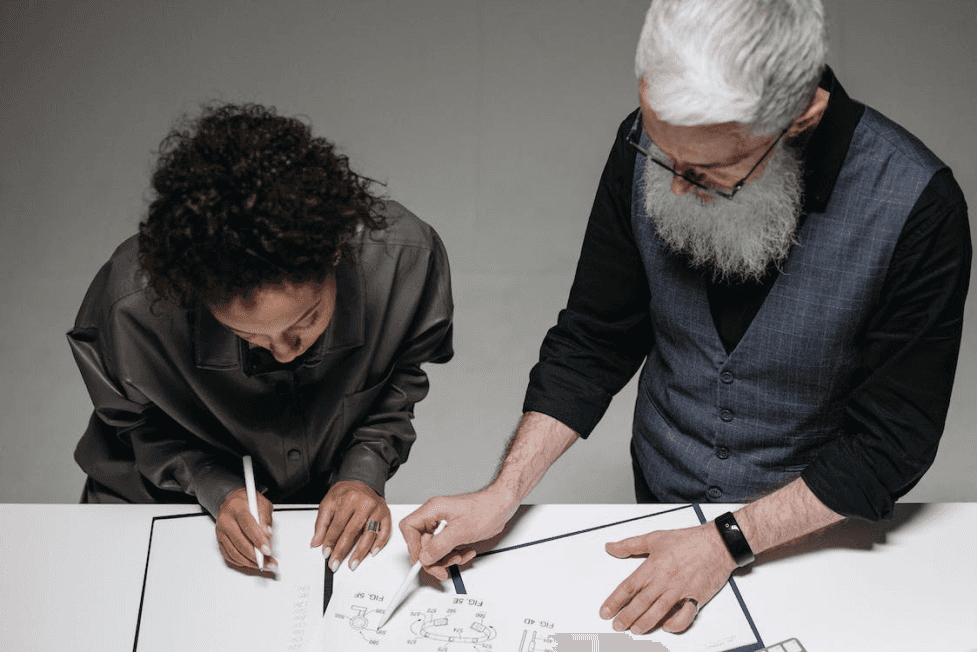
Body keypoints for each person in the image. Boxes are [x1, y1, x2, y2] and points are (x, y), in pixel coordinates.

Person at [402, 0, 970, 637]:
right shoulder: (657, 144)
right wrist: (502, 492)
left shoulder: (920, 205)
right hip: (663, 499)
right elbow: (594, 336)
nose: (671, 188)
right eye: (663, 154)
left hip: (819, 532)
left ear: (802, 117)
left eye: (707, 172)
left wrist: (725, 542)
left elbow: (889, 443)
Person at [69, 103, 453, 576]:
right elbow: (135, 426)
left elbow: (400, 378)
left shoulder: (403, 262)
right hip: (149, 504)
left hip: (304, 518)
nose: (285, 351)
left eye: (305, 322)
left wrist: (363, 470)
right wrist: (213, 483)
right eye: (247, 335)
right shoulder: (130, 308)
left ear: (334, 251)